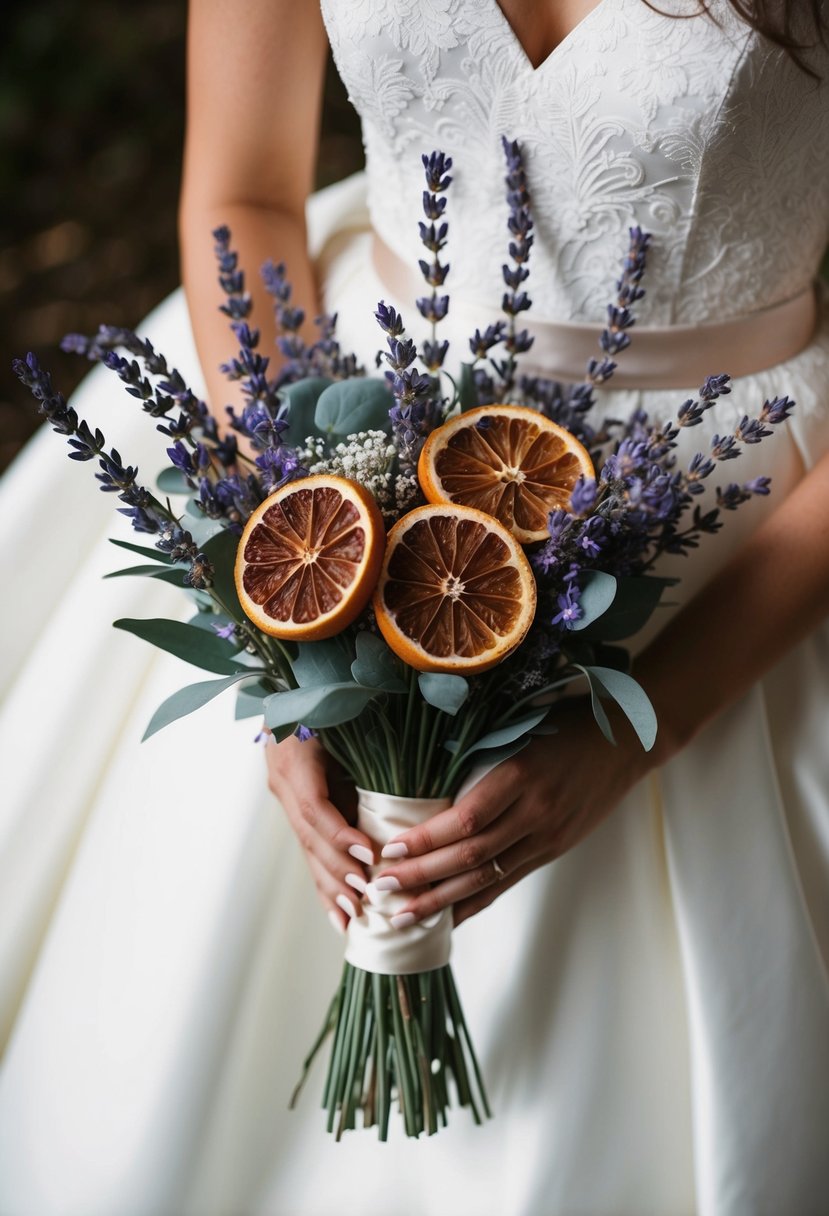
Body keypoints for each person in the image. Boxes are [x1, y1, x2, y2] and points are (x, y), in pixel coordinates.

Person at [0, 1, 827, 1213]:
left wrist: (625, 735)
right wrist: (284, 591)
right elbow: (245, 193)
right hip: (333, 420)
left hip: (734, 518)